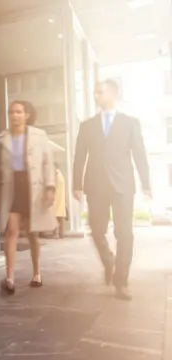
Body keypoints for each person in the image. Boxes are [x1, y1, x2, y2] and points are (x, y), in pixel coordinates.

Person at [72, 79, 150, 301]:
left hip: (123, 185)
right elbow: (79, 157)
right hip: (96, 185)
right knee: (96, 230)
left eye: (100, 92)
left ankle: (121, 281)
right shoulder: (87, 126)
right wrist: (77, 184)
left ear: (114, 94)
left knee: (124, 233)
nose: (96, 96)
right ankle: (109, 261)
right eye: (95, 92)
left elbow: (140, 154)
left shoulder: (130, 123)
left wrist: (147, 184)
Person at [0, 100, 56, 295]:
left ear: (26, 114)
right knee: (12, 231)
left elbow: (47, 163)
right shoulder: (3, 138)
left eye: (19, 112)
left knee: (33, 233)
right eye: (11, 112)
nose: (15, 115)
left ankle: (37, 273)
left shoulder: (39, 135)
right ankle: (9, 278)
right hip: (12, 188)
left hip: (32, 187)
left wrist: (50, 187)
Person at [53, 164, 67, 239]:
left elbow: (56, 188)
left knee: (56, 217)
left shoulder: (58, 176)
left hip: (58, 198)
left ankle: (56, 234)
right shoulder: (60, 175)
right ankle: (61, 233)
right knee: (60, 217)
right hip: (60, 199)